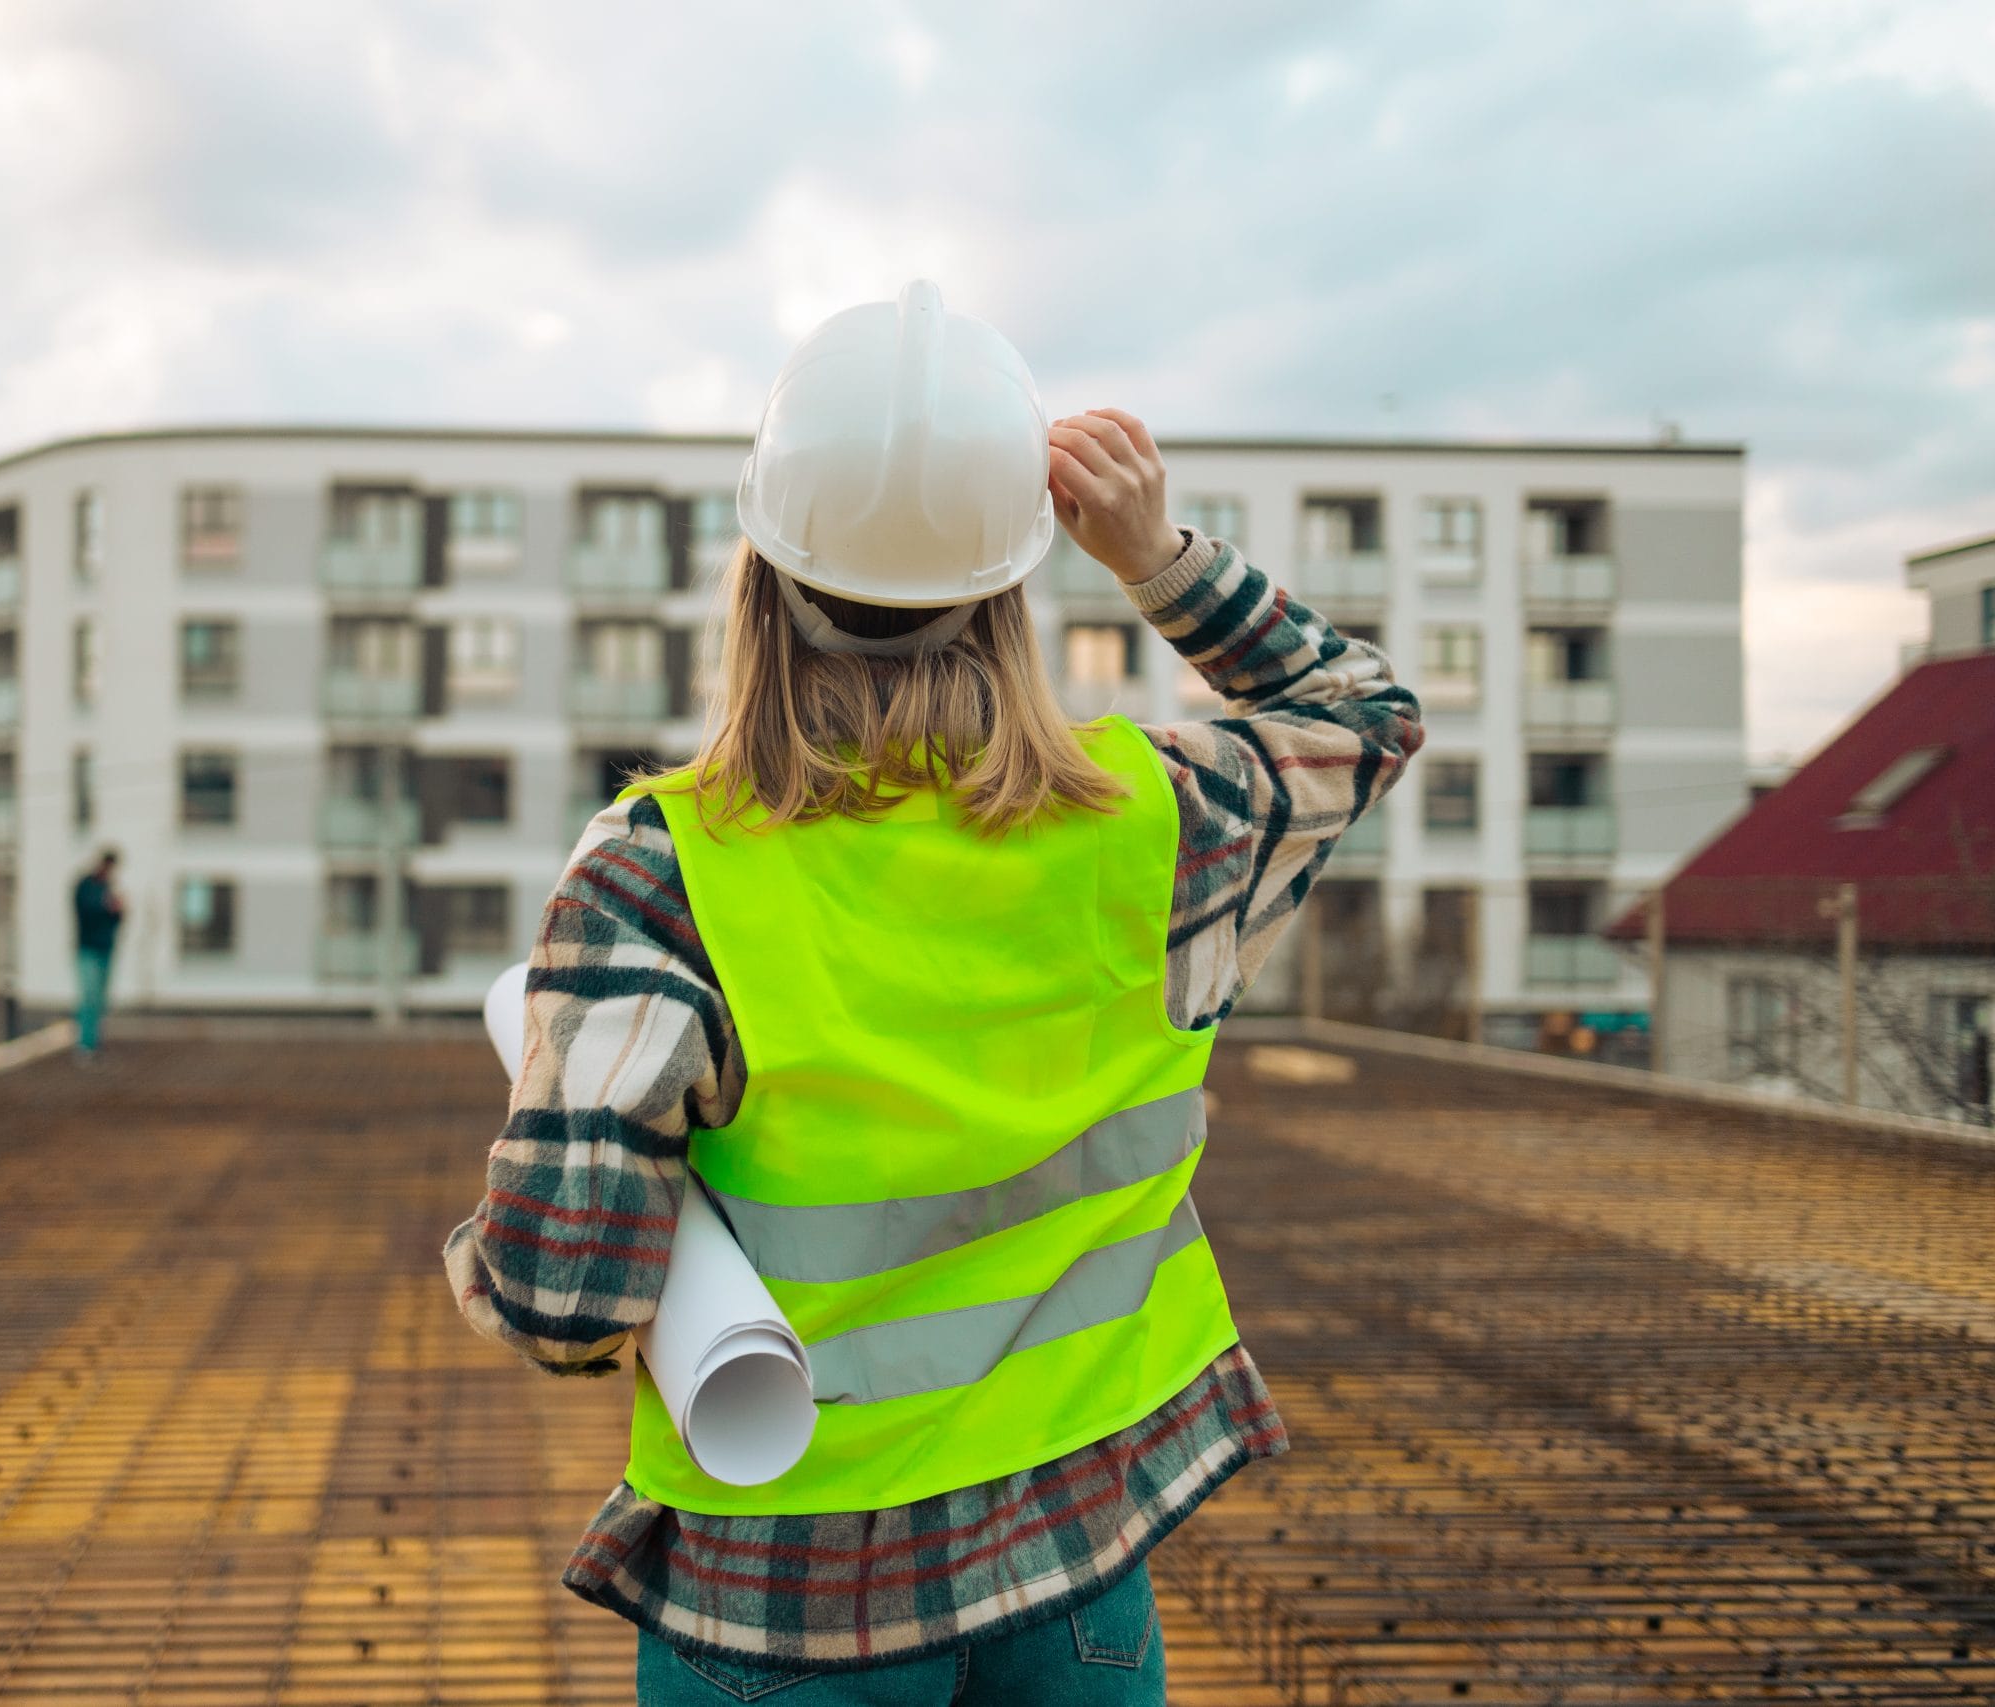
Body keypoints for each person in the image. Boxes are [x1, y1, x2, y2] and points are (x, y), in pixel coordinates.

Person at [445, 281, 1423, 1704]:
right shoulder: (1154, 821)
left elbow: (566, 1298)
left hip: (780, 1604)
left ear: (760, 570)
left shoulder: (659, 872)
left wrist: (500, 1241)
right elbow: (1363, 715)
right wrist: (1157, 560)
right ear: (1010, 585)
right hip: (1078, 1561)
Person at [71, 848, 123, 1060]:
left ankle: (94, 1041)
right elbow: (85, 911)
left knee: (100, 998)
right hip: (88, 949)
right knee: (89, 997)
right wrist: (107, 907)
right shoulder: (85, 886)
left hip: (105, 948)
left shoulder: (107, 888)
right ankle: (85, 1044)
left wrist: (118, 911)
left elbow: (115, 920)